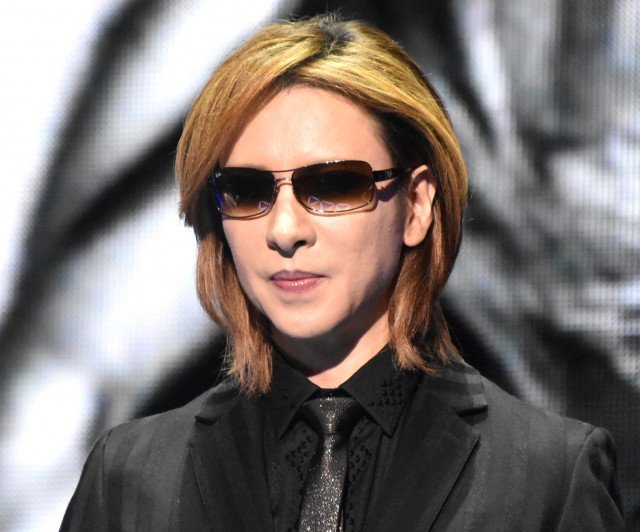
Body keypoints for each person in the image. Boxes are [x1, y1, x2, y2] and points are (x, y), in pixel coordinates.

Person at [61, 14, 624, 531]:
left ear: (416, 205)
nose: (285, 230)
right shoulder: (130, 477)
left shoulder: (547, 477)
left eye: (332, 186)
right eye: (248, 191)